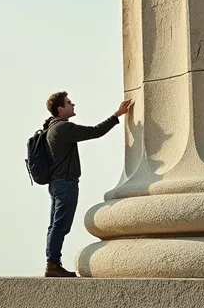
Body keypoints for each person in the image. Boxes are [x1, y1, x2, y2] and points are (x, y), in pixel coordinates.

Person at [41, 91, 133, 278]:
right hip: (65, 184)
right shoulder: (62, 128)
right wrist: (117, 115)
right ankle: (53, 264)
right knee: (60, 225)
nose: (73, 104)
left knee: (55, 225)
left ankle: (53, 263)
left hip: (58, 183)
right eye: (68, 102)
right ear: (60, 109)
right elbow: (95, 131)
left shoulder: (51, 128)